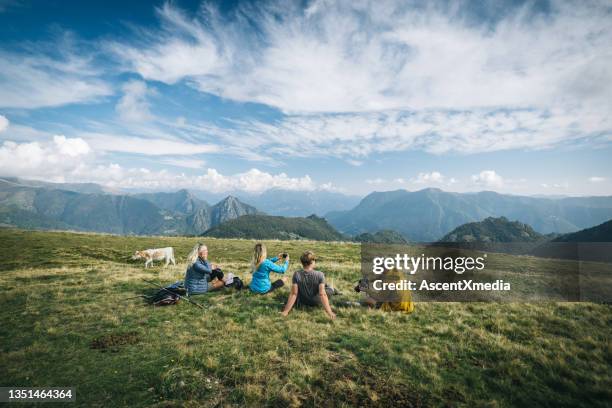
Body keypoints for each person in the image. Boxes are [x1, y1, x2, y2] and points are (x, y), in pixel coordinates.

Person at [281, 250, 337, 320]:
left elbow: (293, 294)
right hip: (317, 301)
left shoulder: (296, 274)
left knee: (322, 287)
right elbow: (322, 294)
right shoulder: (320, 274)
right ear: (312, 261)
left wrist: (286, 311)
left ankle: (327, 286)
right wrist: (330, 312)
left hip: (302, 301)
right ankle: (332, 289)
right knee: (329, 289)